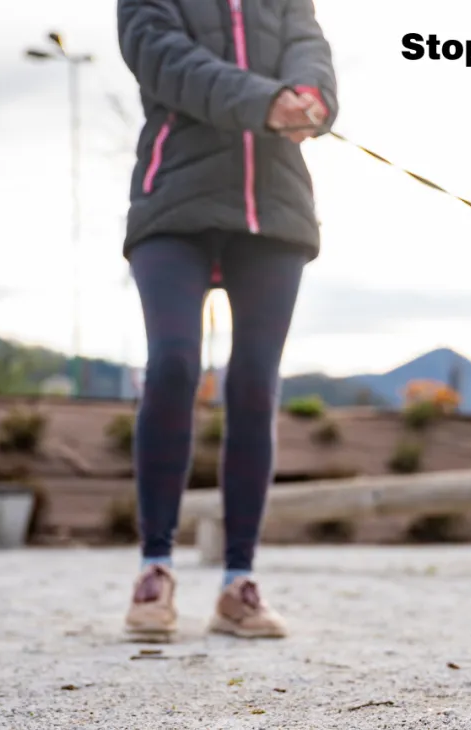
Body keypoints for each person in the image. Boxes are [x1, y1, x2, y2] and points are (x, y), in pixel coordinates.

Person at [115, 0, 337, 640]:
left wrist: (309, 97)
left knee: (255, 384)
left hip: (275, 211)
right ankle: (154, 567)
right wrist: (265, 102)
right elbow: (165, 62)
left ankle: (238, 582)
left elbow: (310, 49)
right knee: (175, 363)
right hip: (173, 204)